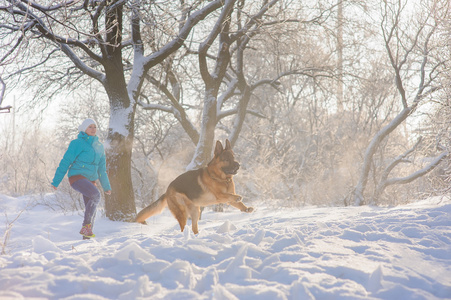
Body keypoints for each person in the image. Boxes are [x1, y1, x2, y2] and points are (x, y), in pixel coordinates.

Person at [51, 118, 111, 239]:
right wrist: (56, 181)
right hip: (77, 177)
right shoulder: (77, 143)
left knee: (91, 207)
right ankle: (85, 226)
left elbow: (101, 169)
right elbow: (66, 161)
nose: (93, 129)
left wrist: (106, 186)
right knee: (96, 195)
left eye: (94, 127)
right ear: (84, 129)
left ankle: (86, 239)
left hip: (90, 180)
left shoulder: (99, 146)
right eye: (90, 127)